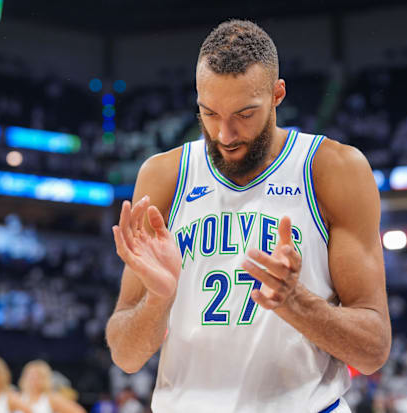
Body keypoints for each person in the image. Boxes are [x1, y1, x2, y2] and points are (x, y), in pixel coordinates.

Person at [106, 19, 391, 413]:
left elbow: (373, 349)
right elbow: (125, 354)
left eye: (244, 114)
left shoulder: (332, 169)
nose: (225, 134)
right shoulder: (164, 176)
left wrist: (295, 301)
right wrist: (159, 298)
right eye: (209, 113)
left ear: (277, 94)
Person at [18, 360, 86, 413]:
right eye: (30, 376)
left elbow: (79, 411)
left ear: (45, 379)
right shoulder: (18, 397)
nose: (33, 380)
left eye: (37, 377)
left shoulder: (51, 398)